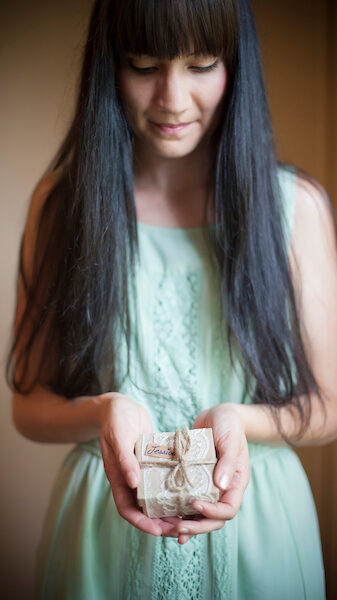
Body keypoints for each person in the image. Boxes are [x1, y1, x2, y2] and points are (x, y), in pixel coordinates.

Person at [6, 0, 337, 598]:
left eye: (202, 63)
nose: (172, 99)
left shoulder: (296, 208)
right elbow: (28, 405)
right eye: (143, 64)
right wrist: (104, 412)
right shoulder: (61, 205)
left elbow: (330, 407)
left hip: (260, 537)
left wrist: (240, 421)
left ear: (237, 66)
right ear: (109, 65)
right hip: (98, 541)